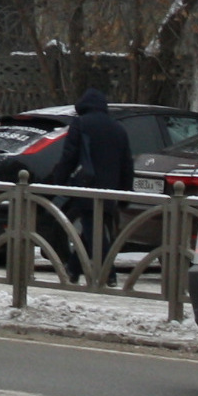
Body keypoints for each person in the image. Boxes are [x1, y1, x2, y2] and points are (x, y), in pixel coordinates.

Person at [59, 88, 135, 283]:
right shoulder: (118, 128)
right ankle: (74, 268)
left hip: (87, 186)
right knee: (93, 230)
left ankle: (109, 274)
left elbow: (69, 157)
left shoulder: (81, 123)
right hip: (110, 189)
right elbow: (127, 163)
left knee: (94, 232)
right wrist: (126, 192)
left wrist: (58, 183)